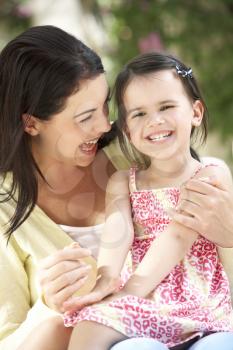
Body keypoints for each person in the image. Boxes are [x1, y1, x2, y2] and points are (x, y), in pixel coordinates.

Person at [0, 25, 233, 350]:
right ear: (31, 123)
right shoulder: (4, 212)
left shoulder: (140, 151)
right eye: (85, 117)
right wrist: (48, 306)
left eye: (105, 106)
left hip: (203, 316)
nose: (105, 126)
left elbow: (198, 239)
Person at [63, 52, 233, 350]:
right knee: (89, 324)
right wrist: (106, 278)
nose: (155, 121)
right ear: (127, 129)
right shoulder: (123, 181)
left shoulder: (210, 172)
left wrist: (130, 292)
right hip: (146, 297)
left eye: (166, 107)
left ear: (195, 112)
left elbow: (179, 234)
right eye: (139, 114)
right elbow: (119, 232)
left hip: (199, 297)